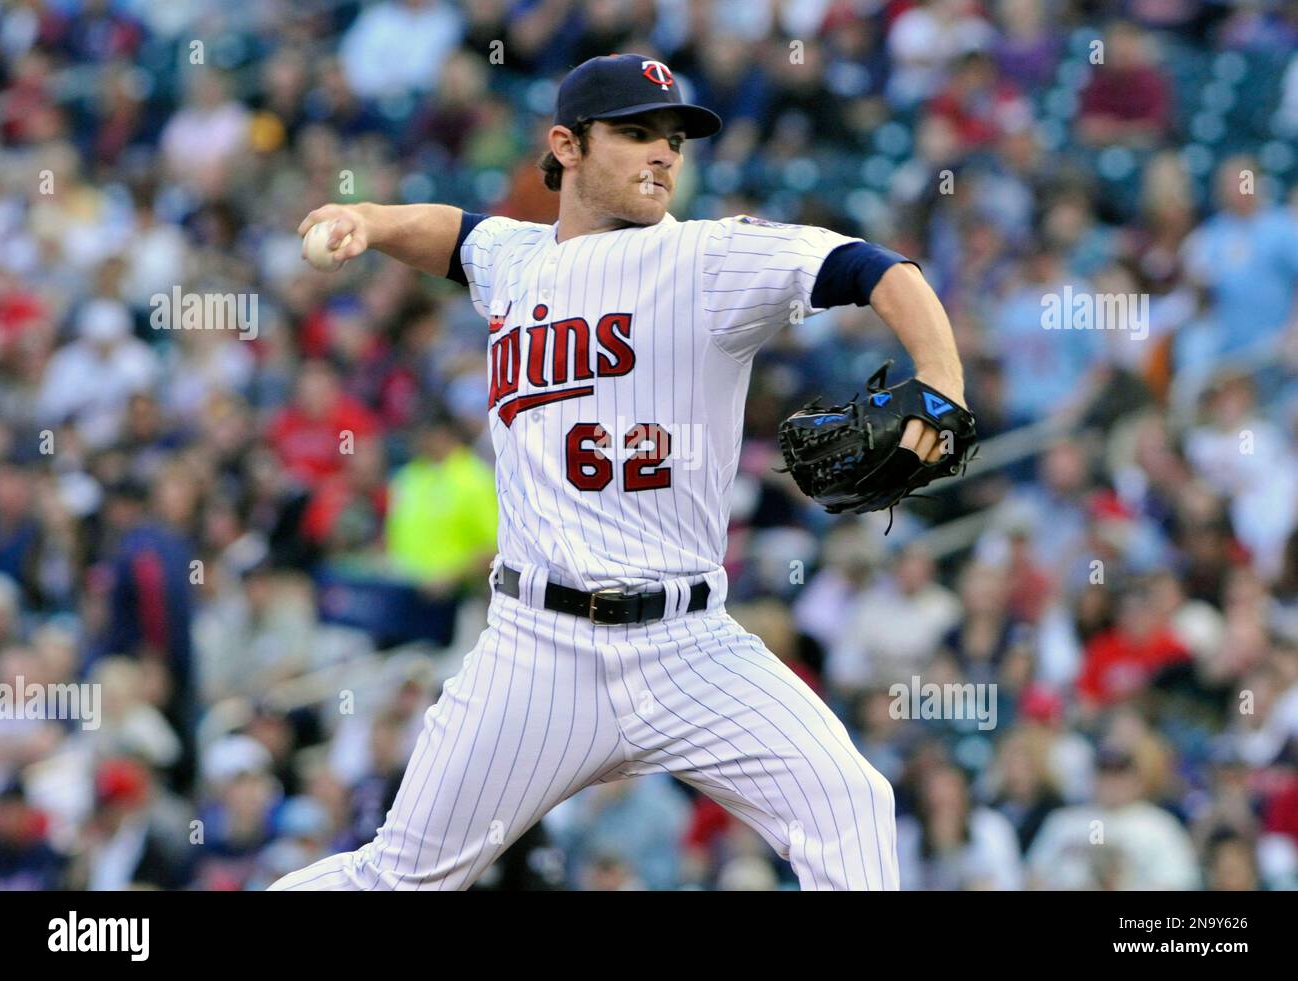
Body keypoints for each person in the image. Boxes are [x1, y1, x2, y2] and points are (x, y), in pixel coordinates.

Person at [272, 52, 969, 892]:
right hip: (537, 647)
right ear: (567, 145)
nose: (664, 154)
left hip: (691, 643)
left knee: (852, 806)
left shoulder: (709, 258)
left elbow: (873, 266)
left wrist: (940, 383)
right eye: (637, 133)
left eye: (673, 137)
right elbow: (452, 235)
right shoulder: (515, 260)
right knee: (395, 877)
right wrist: (371, 219)